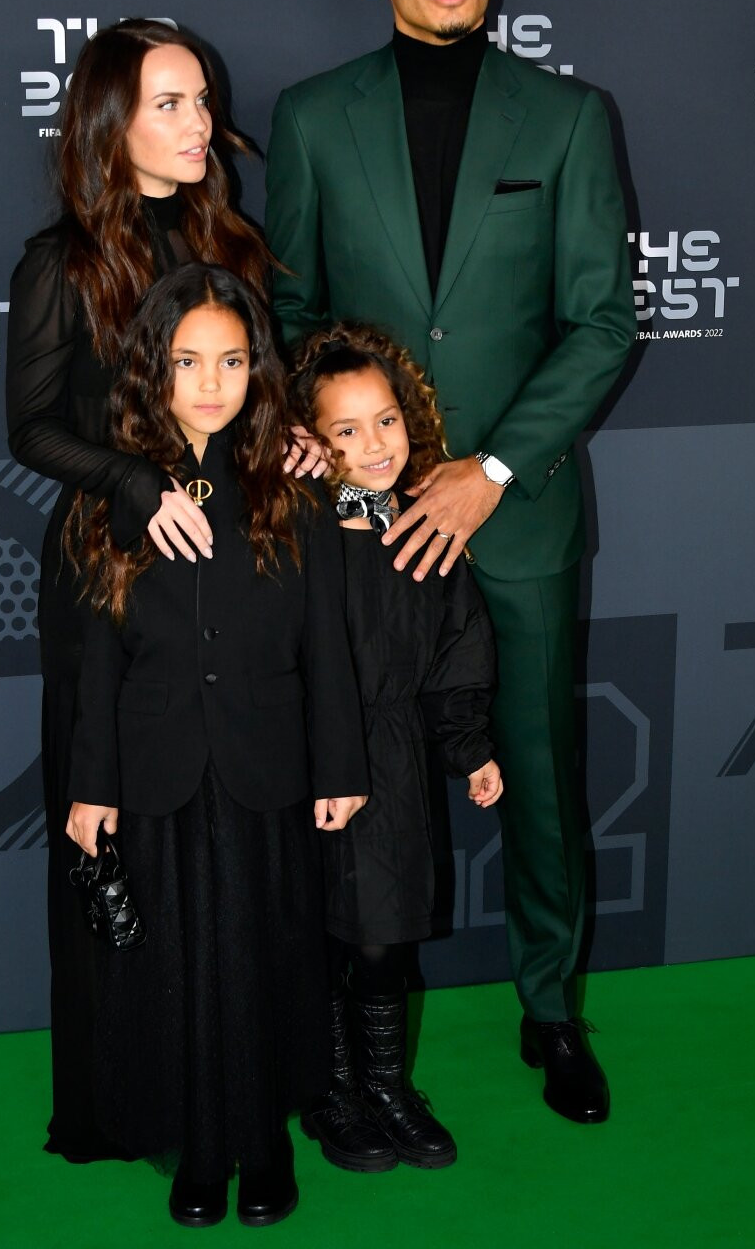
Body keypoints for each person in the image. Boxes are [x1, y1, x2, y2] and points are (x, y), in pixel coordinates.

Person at [265, 0, 637, 1125]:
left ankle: (551, 1010)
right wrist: (343, 456)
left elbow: (601, 323)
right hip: (361, 529)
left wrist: (489, 468)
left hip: (516, 513)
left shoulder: (570, 118)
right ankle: (345, 1033)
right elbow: (294, 316)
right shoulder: (314, 118)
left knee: (537, 771)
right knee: (354, 771)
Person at [6, 19, 275, 1161]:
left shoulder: (233, 241)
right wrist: (132, 481)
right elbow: (29, 428)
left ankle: (237, 1084)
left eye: (203, 100)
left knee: (229, 840)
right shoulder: (62, 262)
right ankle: (125, 1100)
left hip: (233, 569)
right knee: (109, 834)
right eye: (170, 103)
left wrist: (290, 440)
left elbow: (258, 396)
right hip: (110, 574)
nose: (200, 122)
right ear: (112, 123)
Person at [65, 264, 369, 1227]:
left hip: (266, 764)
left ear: (256, 368)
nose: (210, 382)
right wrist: (92, 785)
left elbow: (327, 640)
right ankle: (200, 1151)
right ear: (152, 367)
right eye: (188, 361)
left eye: (232, 361)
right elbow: (94, 659)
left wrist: (340, 765)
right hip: (156, 770)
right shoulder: (115, 491)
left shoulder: (292, 485)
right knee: (177, 971)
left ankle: (265, 1145)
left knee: (269, 958)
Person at [288, 323, 502, 1174]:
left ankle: (386, 1087)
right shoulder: (296, 535)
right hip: (310, 765)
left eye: (386, 420)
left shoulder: (427, 531)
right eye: (346, 430)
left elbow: (459, 651)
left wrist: (469, 746)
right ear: (312, 441)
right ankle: (330, 1087)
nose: (375, 444)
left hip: (396, 766)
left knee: (385, 940)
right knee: (321, 937)